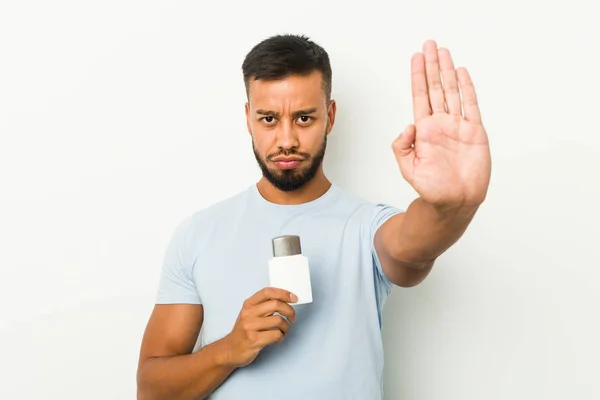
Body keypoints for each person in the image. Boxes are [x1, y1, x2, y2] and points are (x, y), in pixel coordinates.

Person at [136, 34, 491, 400]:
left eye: (304, 118)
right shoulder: (199, 234)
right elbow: (151, 390)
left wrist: (451, 205)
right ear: (248, 119)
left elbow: (413, 247)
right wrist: (229, 349)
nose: (286, 139)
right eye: (269, 119)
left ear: (330, 116)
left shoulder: (365, 226)